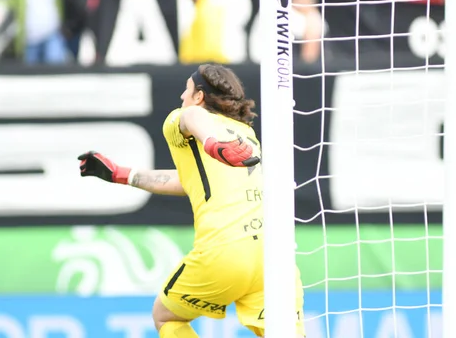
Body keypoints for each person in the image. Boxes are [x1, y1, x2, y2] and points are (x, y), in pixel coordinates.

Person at [77, 64, 306, 338]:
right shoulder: (244, 135)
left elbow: (192, 117)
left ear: (199, 96)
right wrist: (122, 175)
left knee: (164, 317)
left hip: (225, 250)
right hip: (273, 253)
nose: (181, 97)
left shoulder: (188, 118)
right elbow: (189, 181)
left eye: (186, 90)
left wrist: (210, 141)